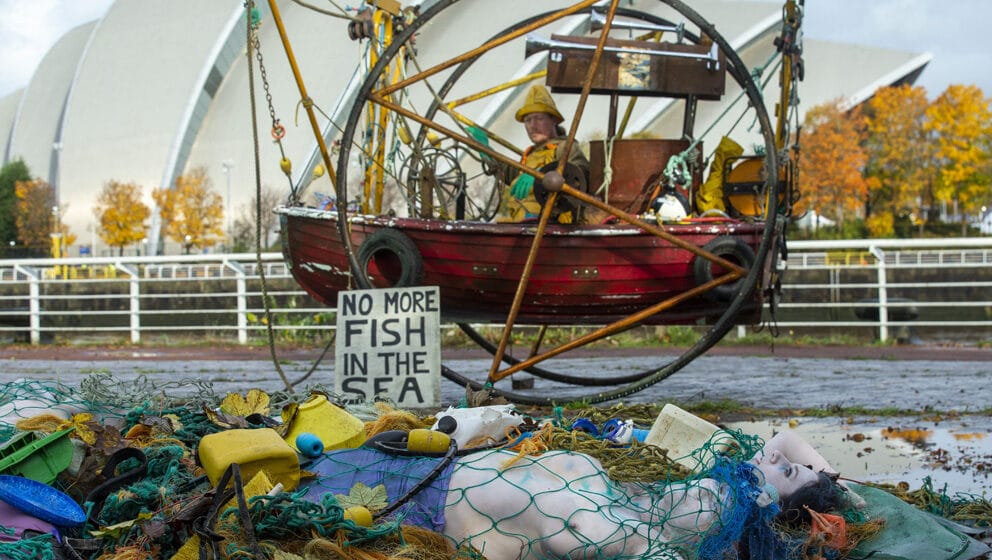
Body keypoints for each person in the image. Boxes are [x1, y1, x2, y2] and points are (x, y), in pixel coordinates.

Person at [304, 426, 856, 560]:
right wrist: (822, 486)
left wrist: (809, 497)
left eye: (776, 472)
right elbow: (784, 438)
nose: (767, 458)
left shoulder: (609, 531)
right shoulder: (611, 492)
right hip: (402, 470)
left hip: (407, 504)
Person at [498, 84, 590, 224]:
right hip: (521, 224)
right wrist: (484, 151)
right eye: (528, 120)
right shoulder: (528, 155)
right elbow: (510, 173)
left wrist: (542, 176)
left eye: (539, 118)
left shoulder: (565, 147)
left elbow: (581, 174)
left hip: (554, 225)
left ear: (553, 120)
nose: (533, 125)